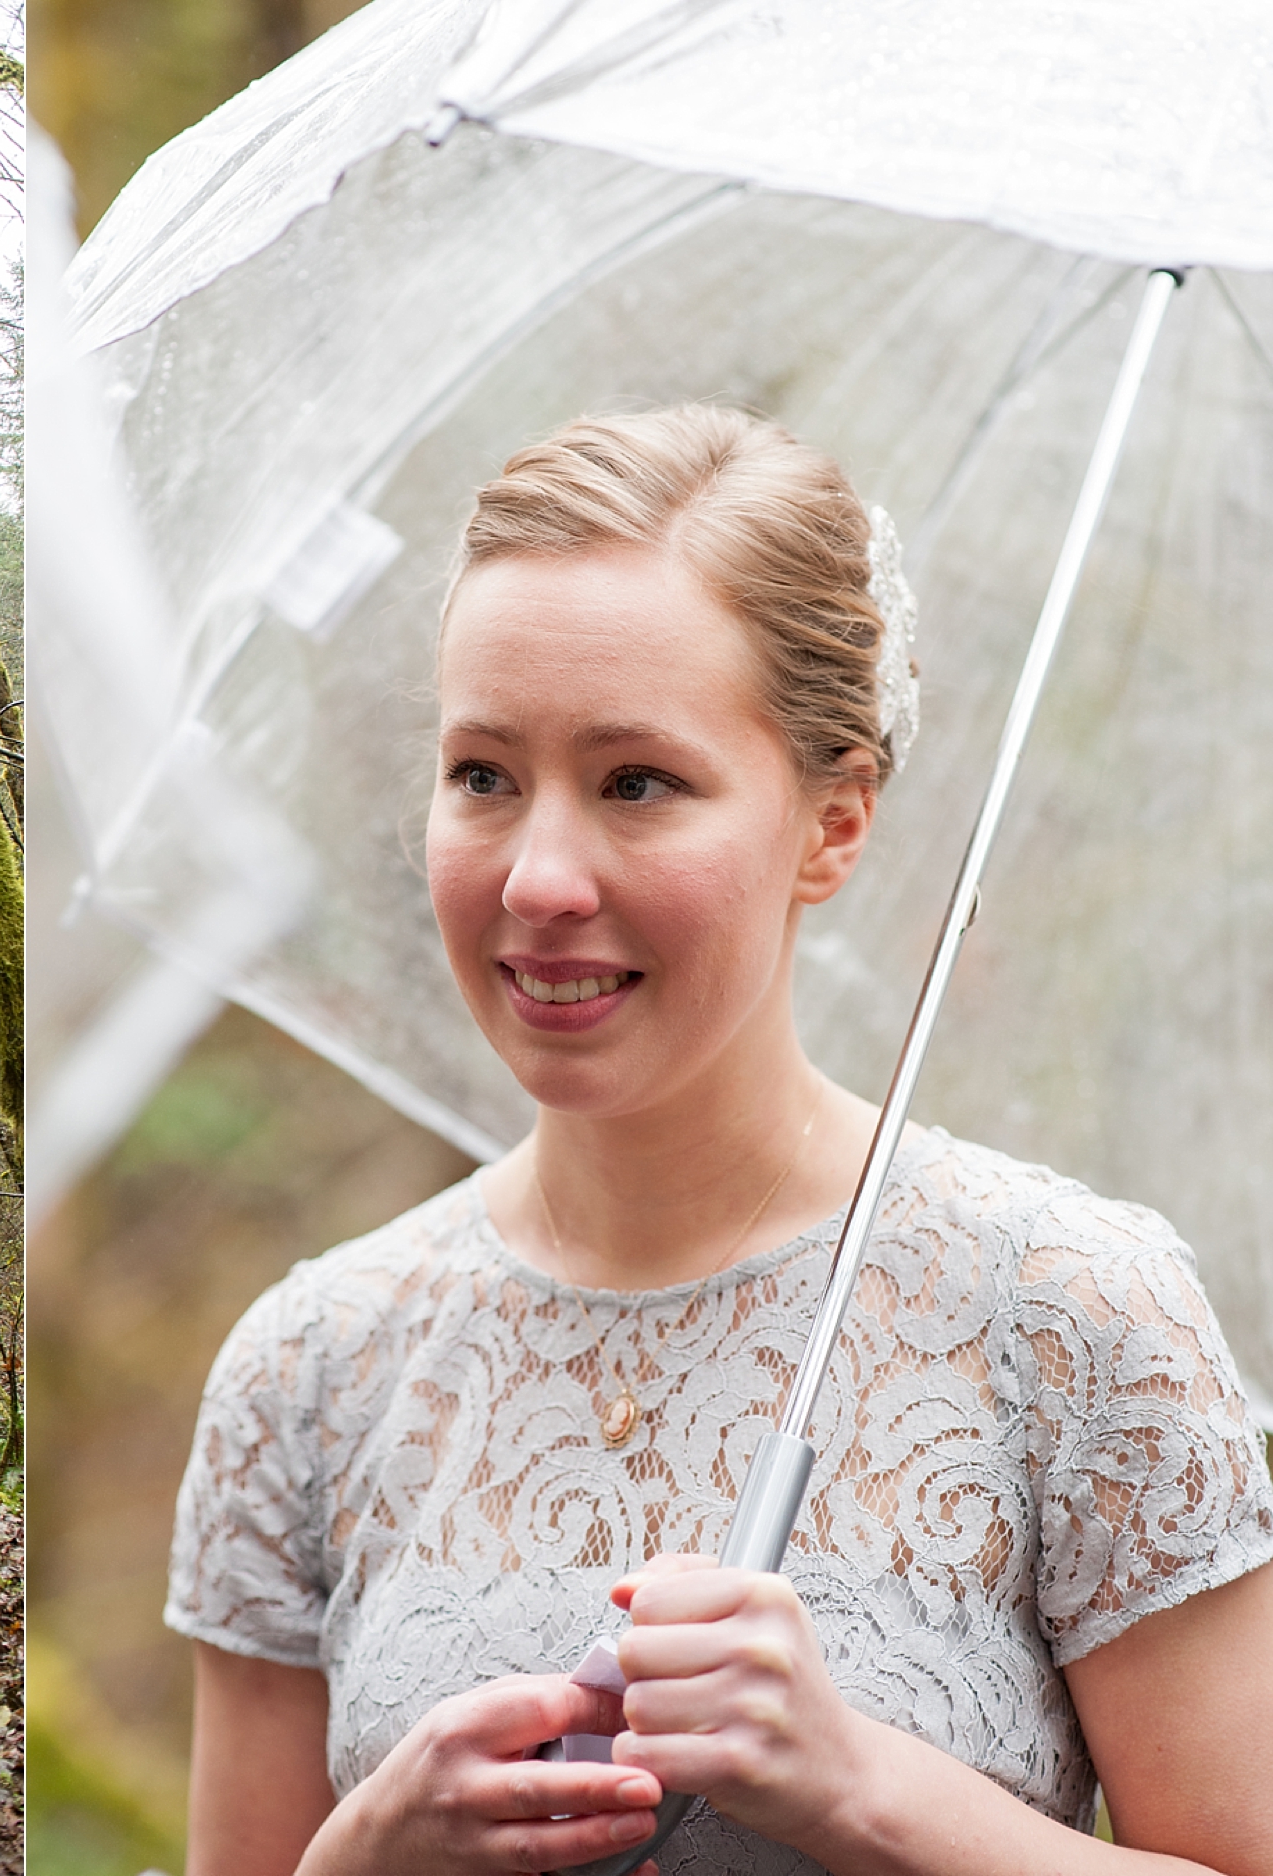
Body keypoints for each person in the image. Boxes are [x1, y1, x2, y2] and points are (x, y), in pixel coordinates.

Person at [170, 407, 1273, 1876]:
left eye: (638, 783)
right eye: (484, 775)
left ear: (833, 821)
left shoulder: (1075, 1316)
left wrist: (868, 1793)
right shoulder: (308, 1367)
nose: (542, 875)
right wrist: (359, 1857)